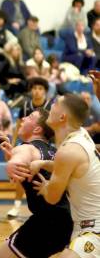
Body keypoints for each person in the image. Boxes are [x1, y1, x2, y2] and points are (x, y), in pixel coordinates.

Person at [0, 108, 73, 258]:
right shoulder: (53, 151)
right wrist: (13, 156)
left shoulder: (27, 148)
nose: (23, 119)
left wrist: (13, 162)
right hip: (67, 220)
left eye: (29, 117)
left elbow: (22, 156)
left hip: (47, 221)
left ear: (37, 129)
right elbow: (24, 163)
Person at [33, 94, 100, 257]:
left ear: (63, 117)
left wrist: (45, 188)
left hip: (94, 230)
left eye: (55, 104)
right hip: (85, 227)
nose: (50, 106)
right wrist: (43, 163)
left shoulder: (68, 151)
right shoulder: (81, 135)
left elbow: (52, 198)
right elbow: (72, 166)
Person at [8, 77, 53, 219]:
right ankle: (16, 205)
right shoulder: (26, 105)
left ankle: (49, 200)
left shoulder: (49, 107)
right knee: (23, 173)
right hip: (28, 143)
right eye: (34, 88)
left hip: (47, 143)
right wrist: (14, 142)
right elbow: (18, 125)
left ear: (45, 91)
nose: (37, 91)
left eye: (40, 89)